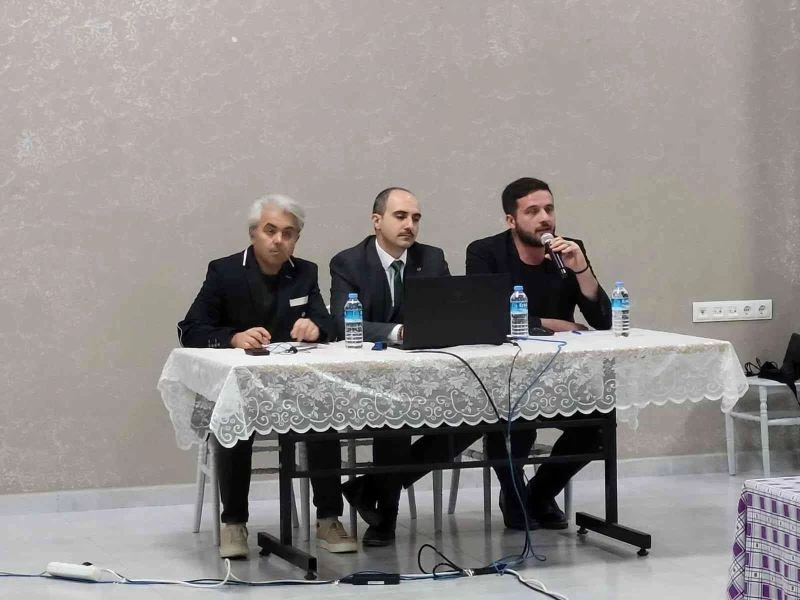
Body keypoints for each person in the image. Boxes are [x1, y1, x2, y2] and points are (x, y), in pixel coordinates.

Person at [177, 194, 357, 559]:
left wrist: (315, 328)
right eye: (270, 231)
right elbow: (190, 329)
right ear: (253, 233)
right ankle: (234, 522)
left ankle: (328, 519)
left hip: (294, 385)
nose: (278, 240)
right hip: (242, 387)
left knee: (325, 416)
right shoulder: (225, 271)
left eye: (288, 233)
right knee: (235, 420)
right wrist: (233, 337)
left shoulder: (304, 272)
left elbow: (327, 323)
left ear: (296, 239)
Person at [466, 176, 611, 529]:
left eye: (549, 209)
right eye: (532, 211)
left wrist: (581, 269)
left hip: (558, 372)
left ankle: (539, 494)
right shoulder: (485, 253)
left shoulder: (569, 251)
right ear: (511, 220)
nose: (544, 218)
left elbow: (602, 320)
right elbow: (486, 316)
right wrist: (553, 324)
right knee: (514, 425)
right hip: (504, 375)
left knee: (598, 427)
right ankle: (513, 495)